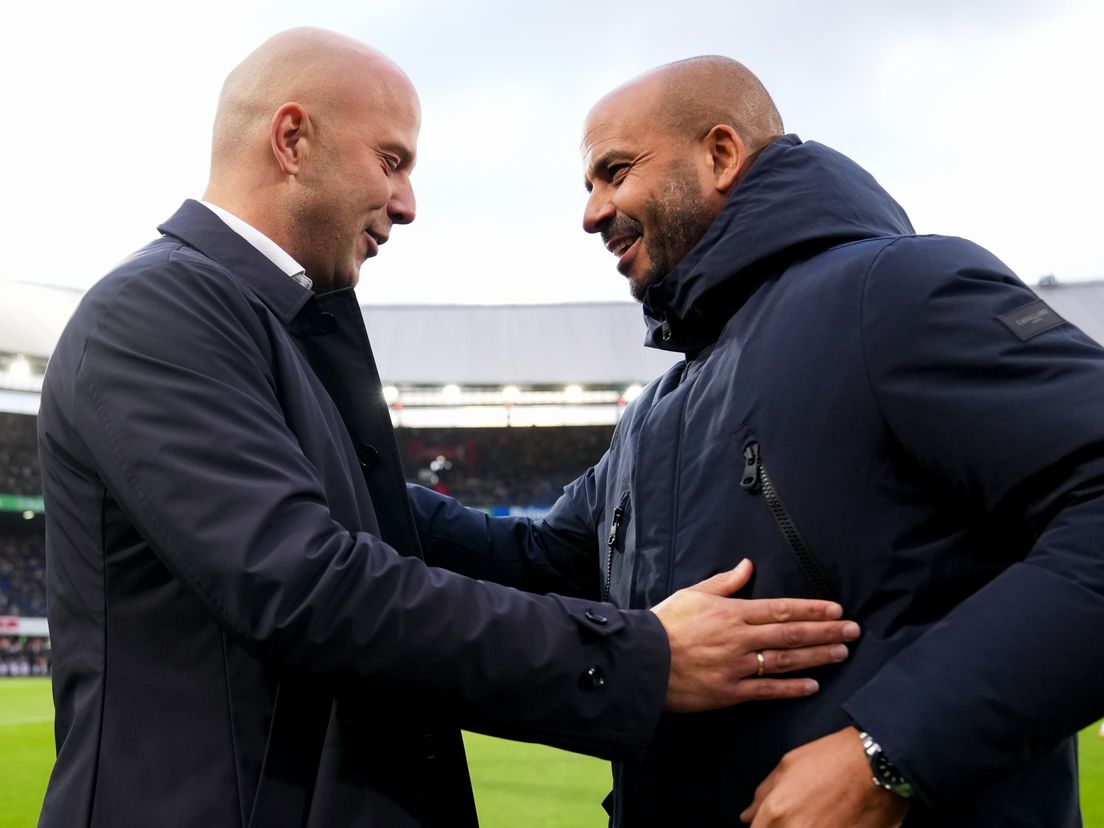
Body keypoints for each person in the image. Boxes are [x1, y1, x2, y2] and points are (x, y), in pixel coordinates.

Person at [35, 32, 860, 828]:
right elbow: (307, 585)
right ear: (292, 140)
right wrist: (643, 656)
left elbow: (399, 529)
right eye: (391, 161)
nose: (407, 203)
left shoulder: (264, 321)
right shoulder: (155, 312)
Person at [406, 56, 1104, 826]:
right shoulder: (657, 410)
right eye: (589, 186)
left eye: (615, 172)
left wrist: (888, 753)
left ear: (721, 155)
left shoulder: (893, 291)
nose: (593, 212)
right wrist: (338, 461)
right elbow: (539, 567)